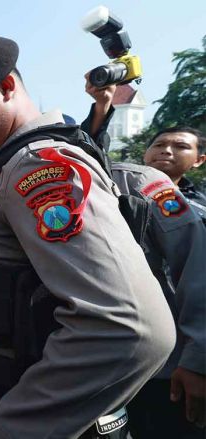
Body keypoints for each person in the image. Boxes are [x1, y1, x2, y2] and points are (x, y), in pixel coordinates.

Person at [0, 37, 175, 438]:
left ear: (6, 87)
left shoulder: (38, 167)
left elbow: (132, 327)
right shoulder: (2, 166)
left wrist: (19, 426)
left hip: (34, 398)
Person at [83, 80, 206, 438]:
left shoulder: (188, 205)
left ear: (199, 159)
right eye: (159, 144)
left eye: (180, 146)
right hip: (126, 355)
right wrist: (102, 106)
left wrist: (198, 360)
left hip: (178, 357)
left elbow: (197, 276)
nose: (166, 150)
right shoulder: (122, 188)